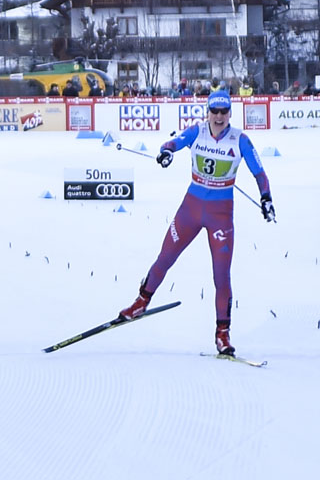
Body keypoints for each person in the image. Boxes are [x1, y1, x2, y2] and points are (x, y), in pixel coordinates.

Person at [117, 90, 275, 356]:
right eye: (215, 111)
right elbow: (172, 143)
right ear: (208, 111)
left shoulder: (241, 140)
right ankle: (141, 302)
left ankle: (222, 333)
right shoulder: (197, 131)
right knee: (165, 257)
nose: (219, 116)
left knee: (221, 276)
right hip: (190, 209)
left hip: (220, 215)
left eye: (224, 112)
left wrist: (266, 198)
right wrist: (166, 153)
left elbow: (259, 173)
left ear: (230, 114)